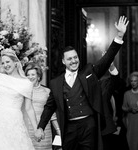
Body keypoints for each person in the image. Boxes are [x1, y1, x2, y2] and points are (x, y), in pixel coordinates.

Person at [35, 16, 129, 150]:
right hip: (69, 128)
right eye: (69, 59)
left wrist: (119, 36)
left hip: (89, 126)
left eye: (75, 57)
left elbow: (107, 59)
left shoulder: (89, 71)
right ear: (63, 61)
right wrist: (40, 127)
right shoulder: (55, 83)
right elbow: (49, 107)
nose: (74, 61)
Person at [24, 63, 61, 150]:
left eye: (33, 74)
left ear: (38, 76)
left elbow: (52, 113)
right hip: (27, 129)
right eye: (28, 75)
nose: (30, 77)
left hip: (44, 129)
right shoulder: (23, 92)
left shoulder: (47, 91)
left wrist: (58, 129)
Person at [122, 71, 138, 150]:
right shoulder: (127, 94)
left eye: (135, 81)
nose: (133, 83)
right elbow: (123, 107)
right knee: (131, 142)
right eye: (131, 81)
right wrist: (130, 109)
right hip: (131, 122)